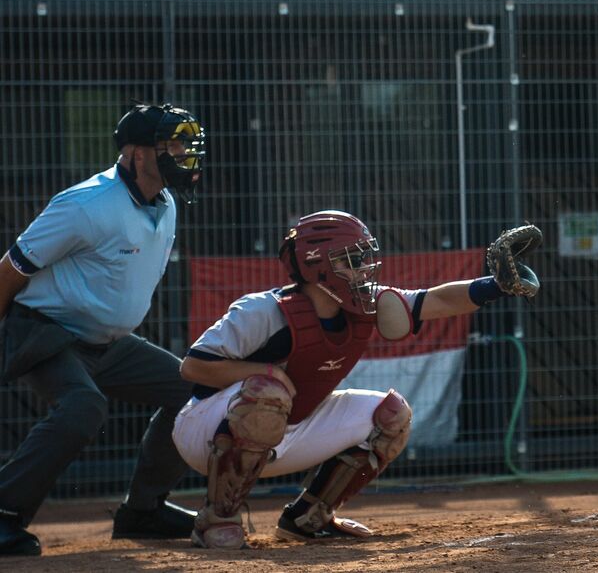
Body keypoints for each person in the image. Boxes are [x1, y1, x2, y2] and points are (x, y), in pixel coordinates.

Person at [172, 211, 541, 549]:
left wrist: (496, 285)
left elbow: (437, 302)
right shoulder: (263, 311)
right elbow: (193, 367)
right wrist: (268, 373)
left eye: (365, 256)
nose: (365, 268)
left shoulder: (366, 303)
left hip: (288, 426)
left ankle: (308, 518)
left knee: (391, 415)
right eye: (352, 259)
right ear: (317, 266)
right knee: (271, 389)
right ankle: (216, 518)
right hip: (206, 430)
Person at [0, 104, 207, 556]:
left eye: (183, 144)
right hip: (46, 332)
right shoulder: (86, 204)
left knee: (191, 392)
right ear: (135, 155)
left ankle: (144, 511)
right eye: (170, 145)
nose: (182, 154)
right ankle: (4, 513)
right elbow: (10, 270)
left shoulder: (166, 203)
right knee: (83, 407)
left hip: (108, 342)